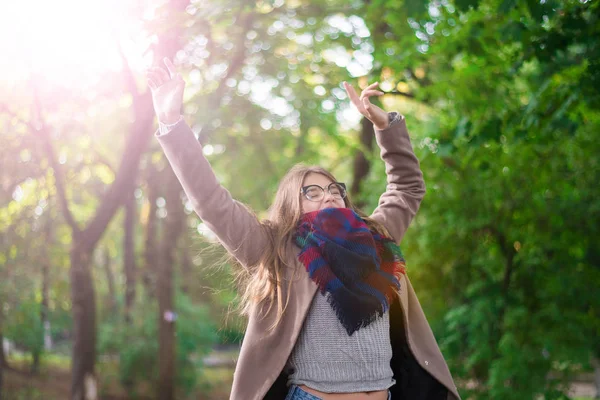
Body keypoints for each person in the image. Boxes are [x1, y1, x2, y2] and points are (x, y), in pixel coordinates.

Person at [147, 58, 460, 400]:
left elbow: (407, 187)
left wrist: (386, 126)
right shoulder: (278, 249)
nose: (327, 194)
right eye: (311, 191)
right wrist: (172, 123)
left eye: (333, 189)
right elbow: (211, 203)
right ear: (291, 207)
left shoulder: (377, 237)